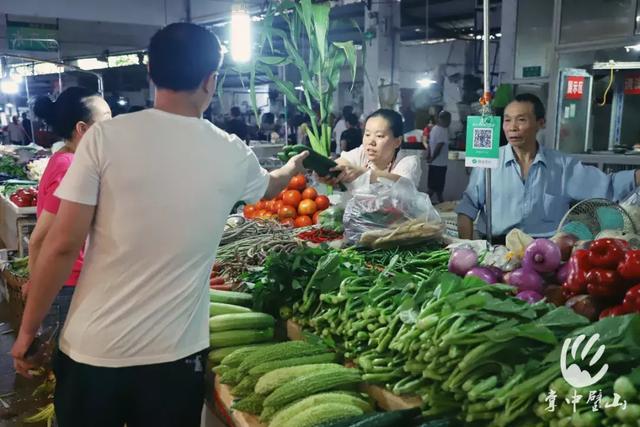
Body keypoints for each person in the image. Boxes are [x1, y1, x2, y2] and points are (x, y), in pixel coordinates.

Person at [12, 22, 308, 427]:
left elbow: (62, 246)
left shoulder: (103, 139)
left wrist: (28, 329)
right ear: (211, 81)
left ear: (150, 72)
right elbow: (270, 187)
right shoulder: (231, 152)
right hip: (174, 361)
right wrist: (292, 166)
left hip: (93, 352)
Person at [456, 93, 640, 241]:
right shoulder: (488, 162)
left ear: (540, 123)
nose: (512, 127)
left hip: (547, 252)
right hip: (496, 247)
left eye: (521, 120)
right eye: (507, 120)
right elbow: (467, 207)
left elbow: (607, 186)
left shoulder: (562, 166)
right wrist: (467, 247)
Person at [23, 87, 112, 332]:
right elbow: (38, 239)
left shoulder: (68, 159)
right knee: (63, 363)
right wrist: (37, 284)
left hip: (70, 281)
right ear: (82, 129)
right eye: (106, 121)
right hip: (66, 285)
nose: (112, 129)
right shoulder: (68, 167)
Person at [328, 109, 421, 187]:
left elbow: (404, 184)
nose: (371, 141)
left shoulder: (408, 161)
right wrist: (327, 170)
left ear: (397, 142)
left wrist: (362, 173)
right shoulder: (362, 153)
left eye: (379, 136)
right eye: (367, 134)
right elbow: (343, 162)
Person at [427, 111, 451, 204]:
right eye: (449, 120)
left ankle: (441, 203)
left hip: (433, 164)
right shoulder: (443, 130)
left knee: (434, 187)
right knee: (435, 188)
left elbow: (430, 144)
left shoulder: (434, 129)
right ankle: (422, 204)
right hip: (440, 164)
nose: (449, 122)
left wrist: (429, 156)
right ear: (443, 119)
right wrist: (432, 157)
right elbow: (439, 146)